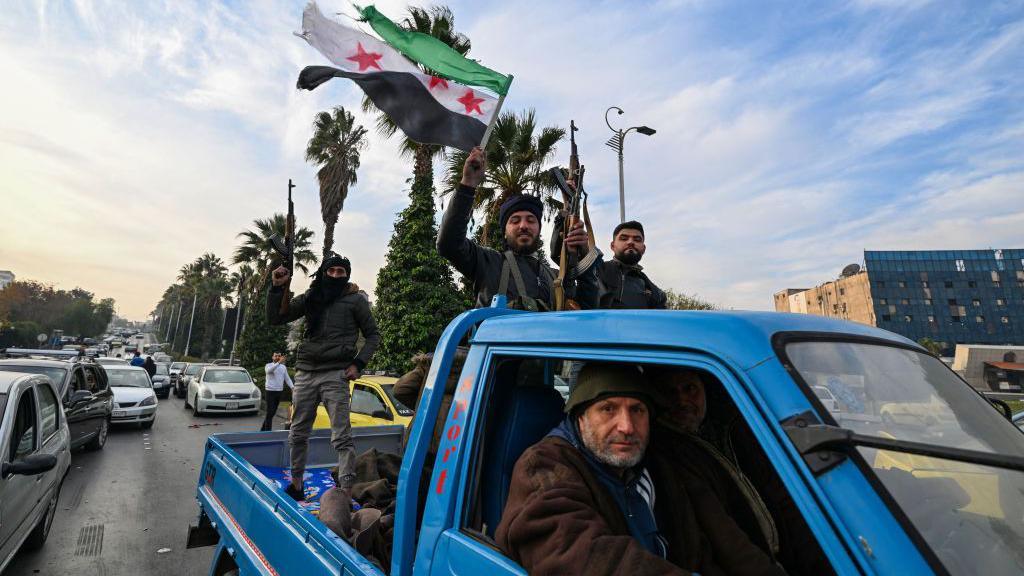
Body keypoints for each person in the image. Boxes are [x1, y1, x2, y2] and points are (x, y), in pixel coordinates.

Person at [496, 363, 783, 575]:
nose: (627, 427)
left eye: (637, 410)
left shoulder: (655, 465)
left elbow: (698, 546)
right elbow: (581, 557)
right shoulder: (545, 467)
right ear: (580, 416)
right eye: (608, 409)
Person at [656, 369, 833, 575]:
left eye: (690, 389)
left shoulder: (736, 429)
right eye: (670, 392)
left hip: (784, 556)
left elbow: (783, 497)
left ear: (705, 391)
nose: (682, 400)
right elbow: (724, 537)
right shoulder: (669, 453)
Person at [268, 254, 380, 501]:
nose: (336, 276)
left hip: (335, 374)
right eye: (332, 272)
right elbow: (276, 318)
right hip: (306, 372)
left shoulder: (355, 301)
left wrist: (358, 363)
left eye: (342, 272)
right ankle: (296, 485)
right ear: (324, 273)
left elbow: (373, 335)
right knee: (297, 433)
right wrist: (277, 287)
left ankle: (345, 492)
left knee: (342, 436)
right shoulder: (311, 297)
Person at [437, 147, 599, 310]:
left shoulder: (555, 277)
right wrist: (468, 184)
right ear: (505, 232)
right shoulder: (488, 263)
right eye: (515, 220)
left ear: (538, 229)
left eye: (531, 220)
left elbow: (587, 309)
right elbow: (448, 244)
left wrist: (584, 254)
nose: (523, 226)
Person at [551, 219, 666, 309]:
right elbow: (566, 266)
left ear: (644, 248)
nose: (631, 242)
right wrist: (566, 226)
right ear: (612, 246)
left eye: (637, 239)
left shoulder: (655, 293)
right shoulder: (596, 269)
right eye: (624, 238)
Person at [262, 351, 294, 431]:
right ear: (272, 357)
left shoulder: (283, 367)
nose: (277, 357)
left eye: (279, 356)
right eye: (275, 356)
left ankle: (263, 430)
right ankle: (267, 432)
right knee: (270, 412)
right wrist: (279, 362)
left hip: (279, 392)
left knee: (272, 413)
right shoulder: (268, 365)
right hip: (270, 391)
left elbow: (287, 378)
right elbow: (269, 371)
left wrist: (292, 387)